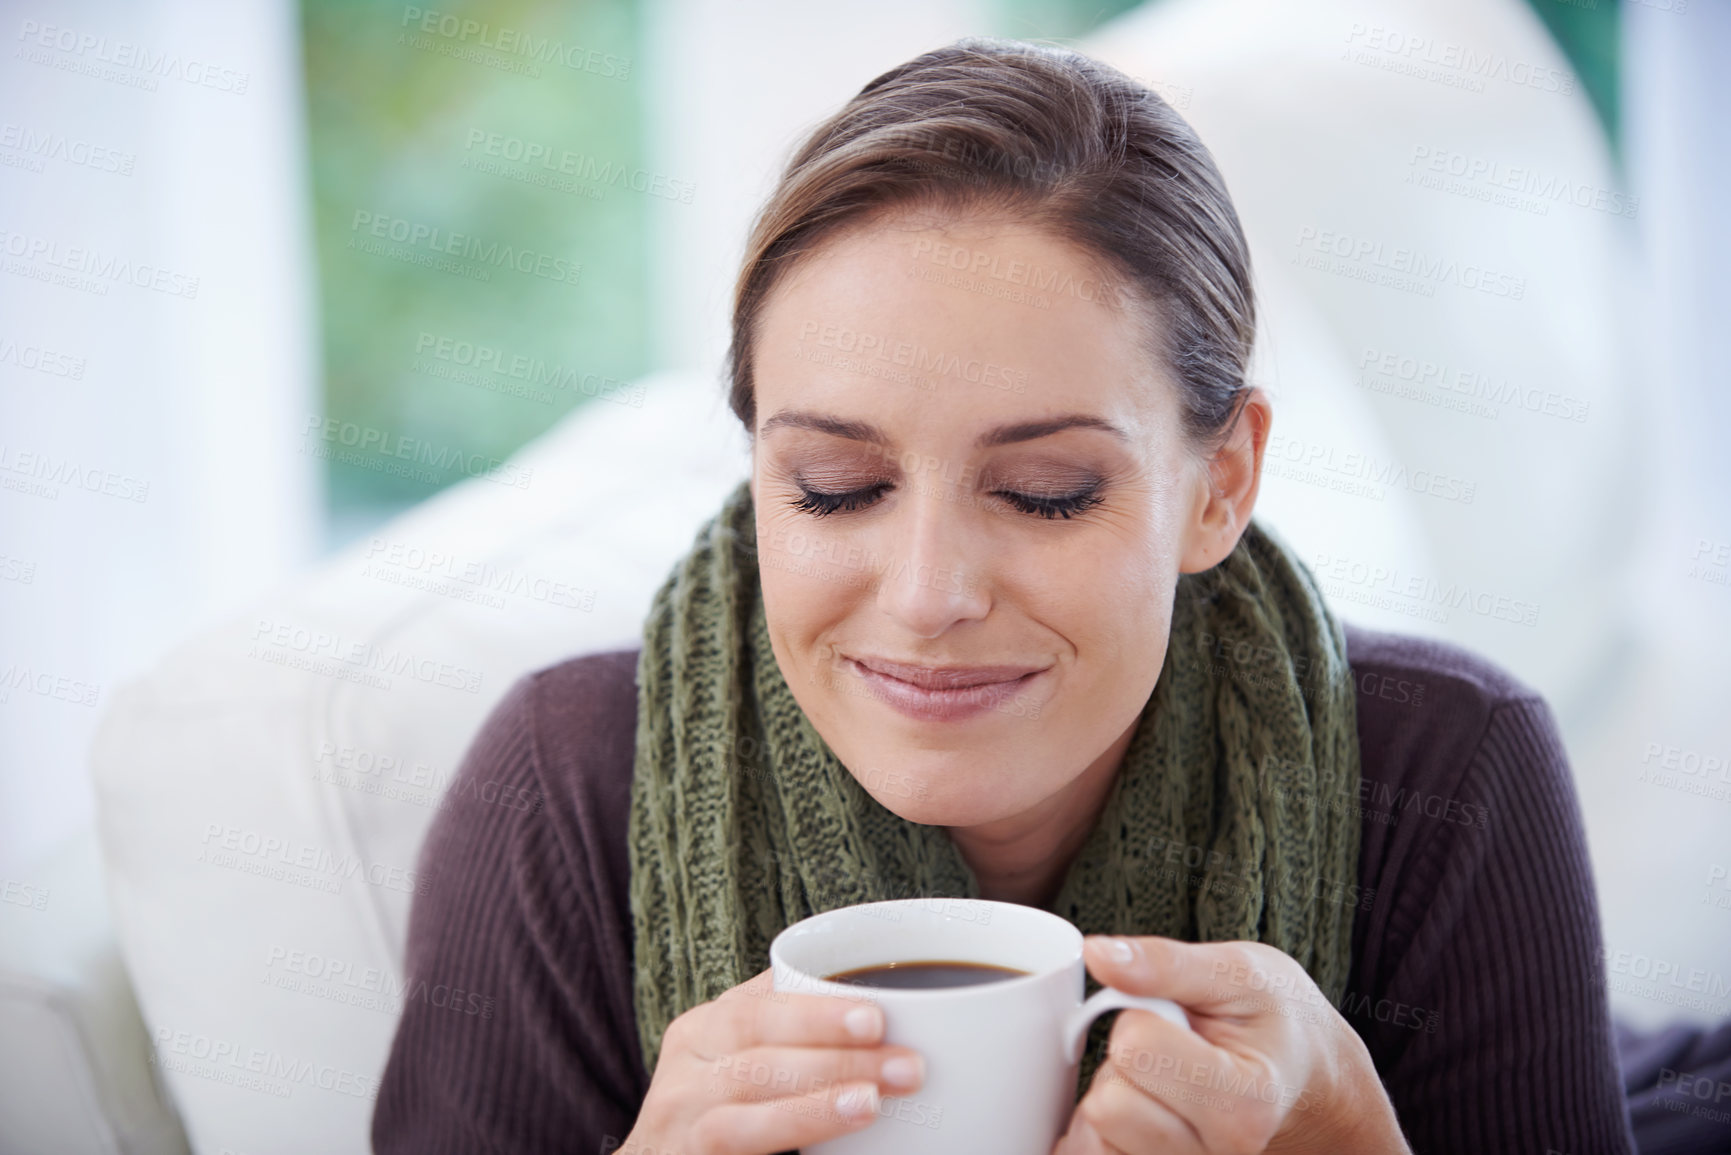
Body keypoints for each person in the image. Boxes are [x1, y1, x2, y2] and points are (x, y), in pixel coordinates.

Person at [373, 38, 1634, 1154]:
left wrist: (1352, 1142)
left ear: (1220, 482)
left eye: (1043, 493)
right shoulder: (564, 786)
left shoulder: (1449, 774)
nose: (926, 597)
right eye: (834, 486)